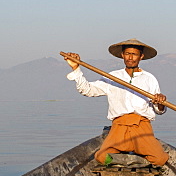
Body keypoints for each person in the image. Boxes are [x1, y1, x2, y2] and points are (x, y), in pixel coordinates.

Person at [61, 39, 169, 167]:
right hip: (119, 126)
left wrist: (161, 102)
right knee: (101, 157)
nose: (130, 57)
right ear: (122, 55)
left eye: (134, 54)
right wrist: (76, 68)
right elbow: (87, 90)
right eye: (127, 53)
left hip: (142, 127)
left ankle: (138, 161)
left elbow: (159, 110)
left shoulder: (149, 79)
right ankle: (126, 161)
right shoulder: (112, 77)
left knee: (160, 159)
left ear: (141, 56)